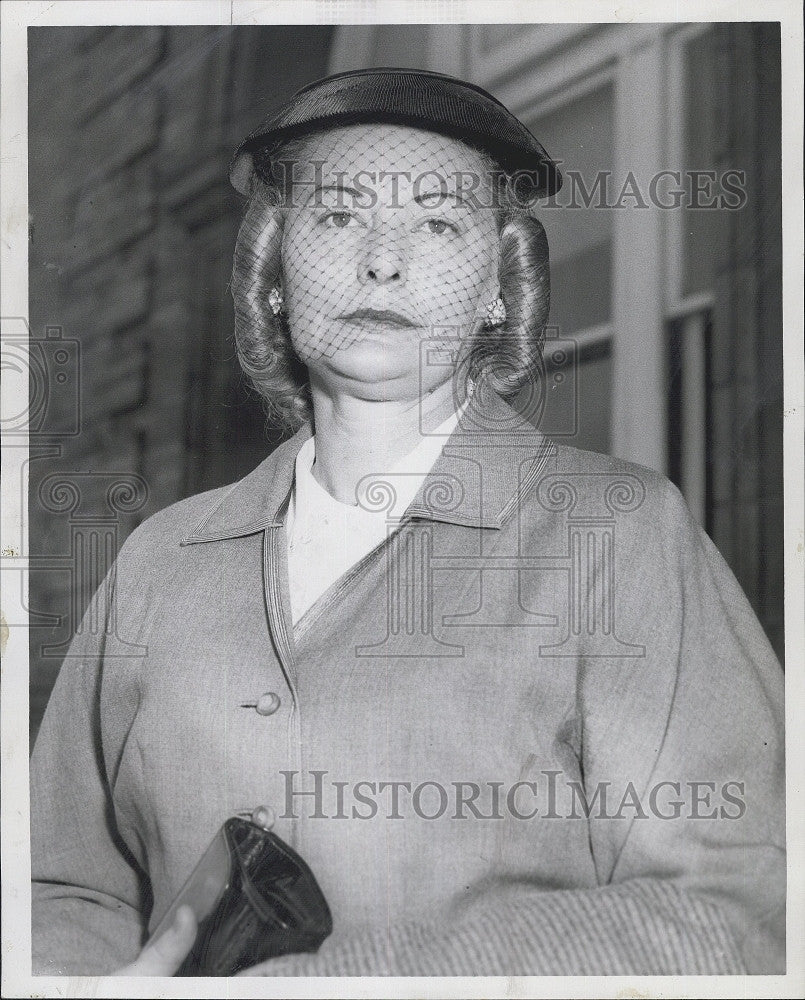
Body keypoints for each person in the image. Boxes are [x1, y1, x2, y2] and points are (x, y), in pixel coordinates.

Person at [31, 68, 785, 977]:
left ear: (494, 292)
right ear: (274, 273)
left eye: (437, 222)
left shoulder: (617, 538)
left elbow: (731, 914)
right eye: (338, 216)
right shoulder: (160, 559)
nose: (382, 260)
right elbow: (68, 889)